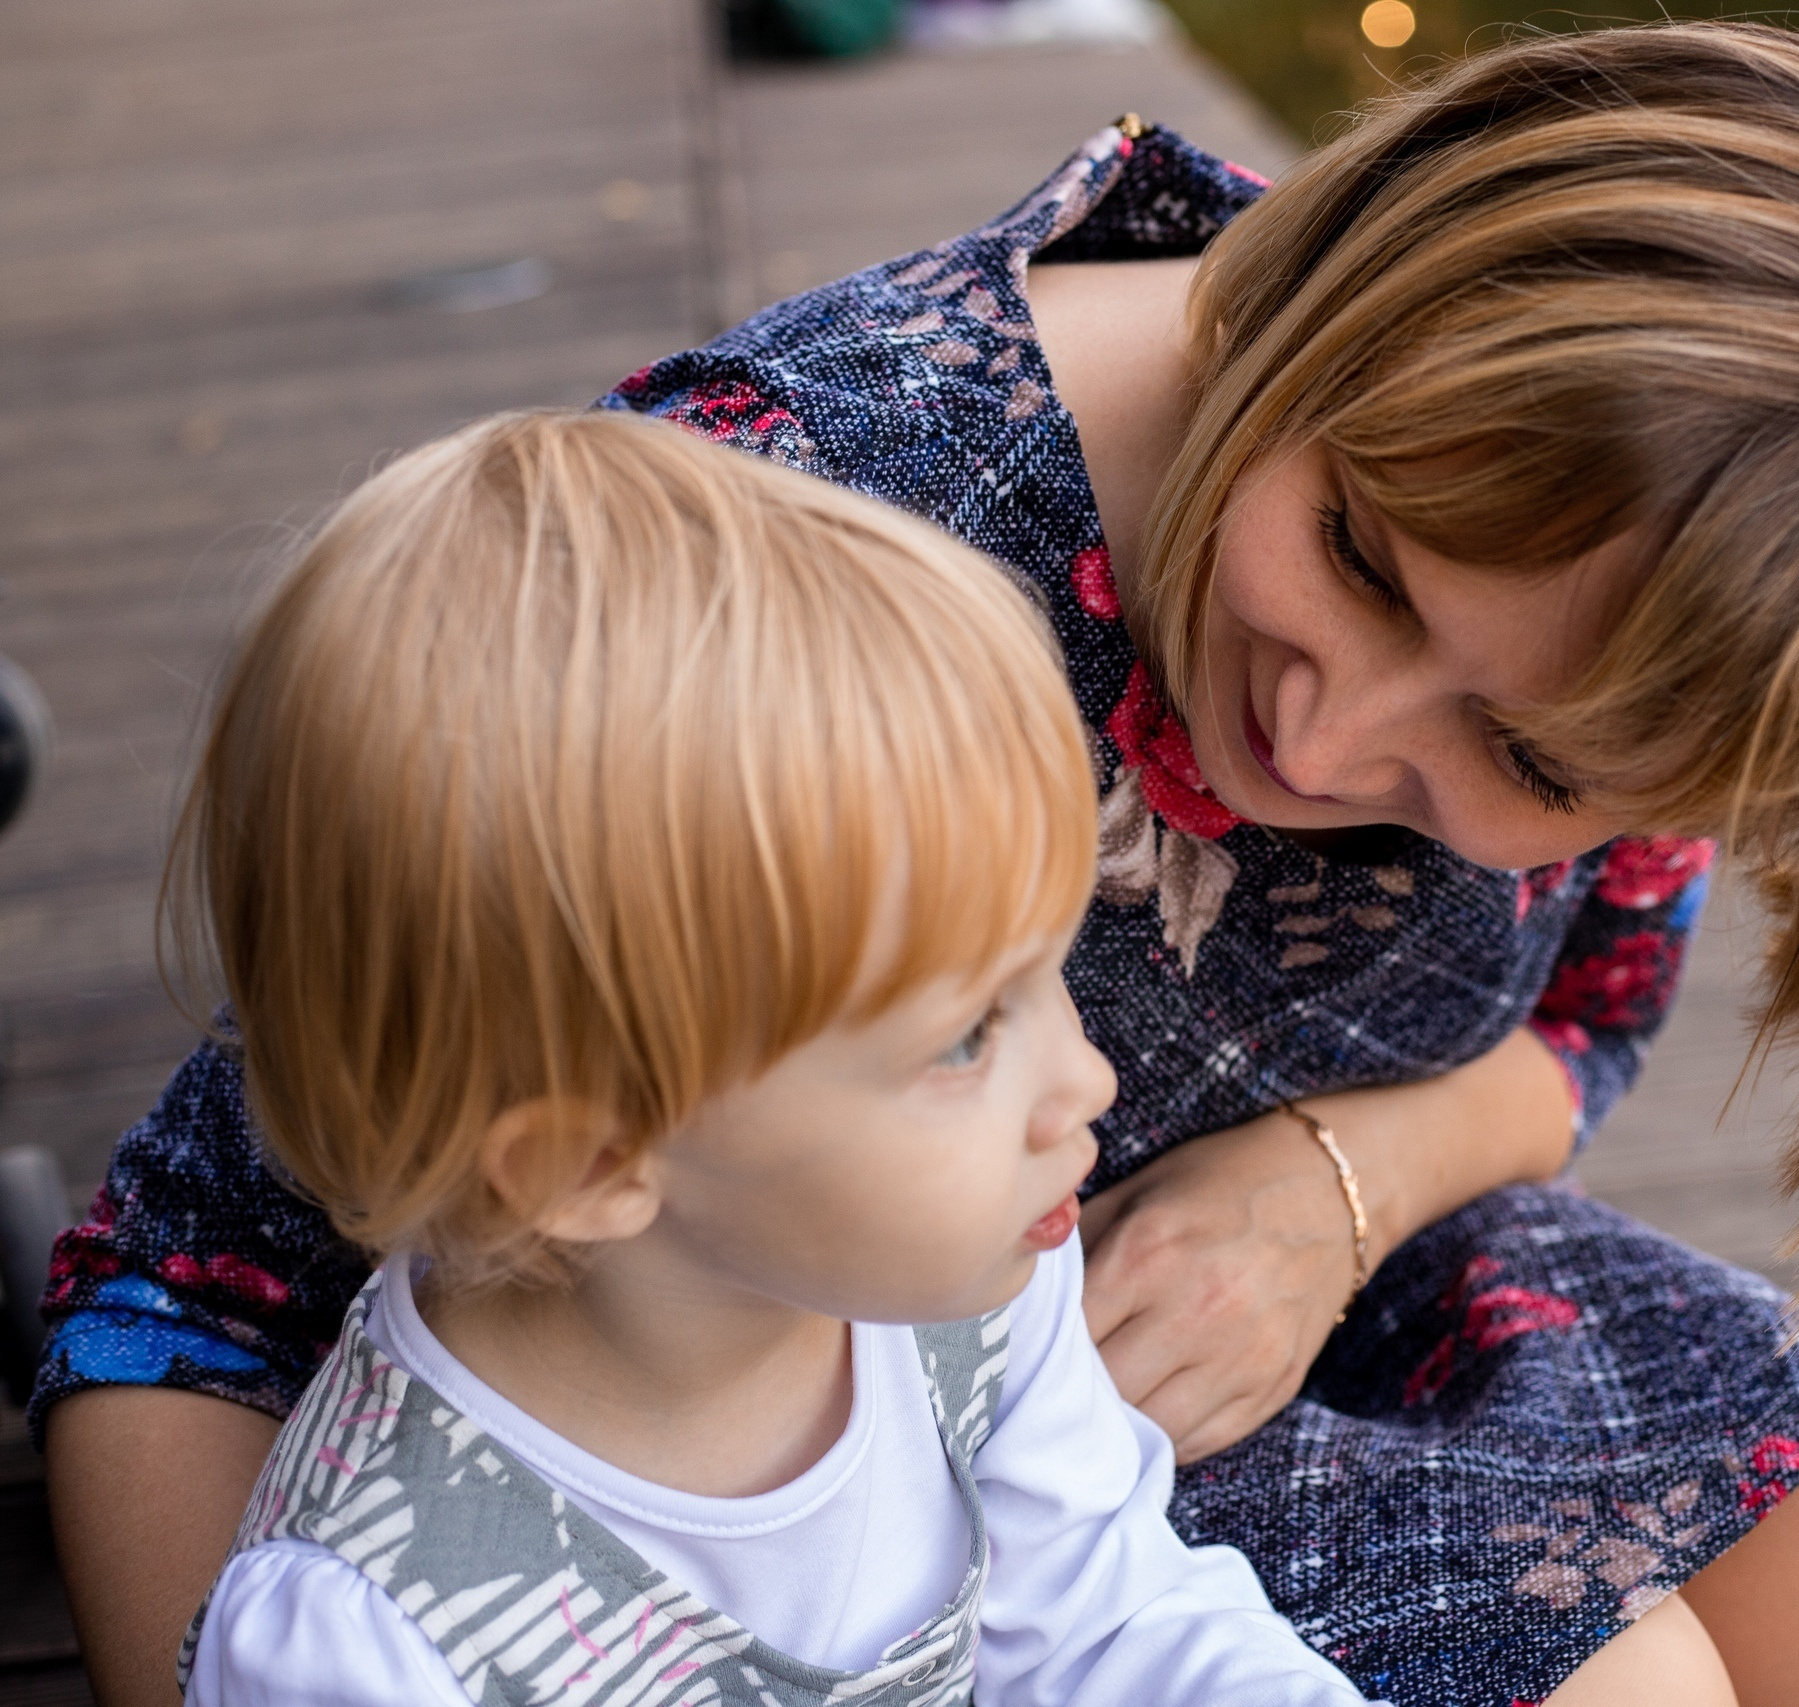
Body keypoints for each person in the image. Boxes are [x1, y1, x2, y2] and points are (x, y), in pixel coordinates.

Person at [43, 22, 1799, 1707]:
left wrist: (1324, 1192)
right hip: (805, 1358)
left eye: (1522, 755)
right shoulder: (808, 537)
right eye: (1365, 561)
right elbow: (207, 1258)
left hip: (1228, 1309)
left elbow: (1580, 1019)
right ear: (1340, 284)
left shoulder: (1653, 584)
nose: (1323, 735)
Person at [167, 408, 1375, 1707]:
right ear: (590, 1163)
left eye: (1048, 974)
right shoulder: (382, 1631)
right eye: (966, 1035)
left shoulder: (964, 1287)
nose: (1085, 1083)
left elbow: (1108, 1626)